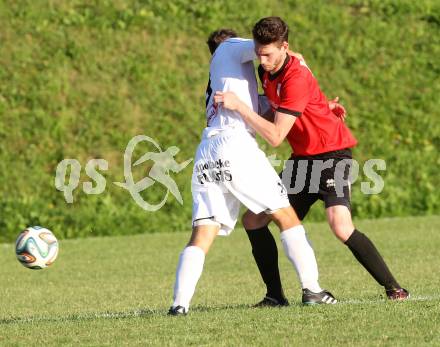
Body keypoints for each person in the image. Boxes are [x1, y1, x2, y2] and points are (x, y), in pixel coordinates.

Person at [215, 17, 409, 302]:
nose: (262, 59)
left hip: (332, 153)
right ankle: (275, 297)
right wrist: (321, 106)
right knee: (254, 220)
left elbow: (276, 135)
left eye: (268, 53)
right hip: (302, 161)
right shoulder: (268, 71)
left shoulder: (297, 76)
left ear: (285, 48)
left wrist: (241, 108)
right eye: (258, 52)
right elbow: (284, 108)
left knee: (340, 225)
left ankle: (395, 288)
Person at [168, 29, 338, 316]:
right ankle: (312, 289)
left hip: (208, 152)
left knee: (202, 234)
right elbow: (274, 50)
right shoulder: (229, 47)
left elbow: (272, 110)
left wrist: (319, 107)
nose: (258, 58)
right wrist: (298, 61)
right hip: (234, 145)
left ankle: (179, 305)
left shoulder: (228, 82)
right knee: (286, 216)